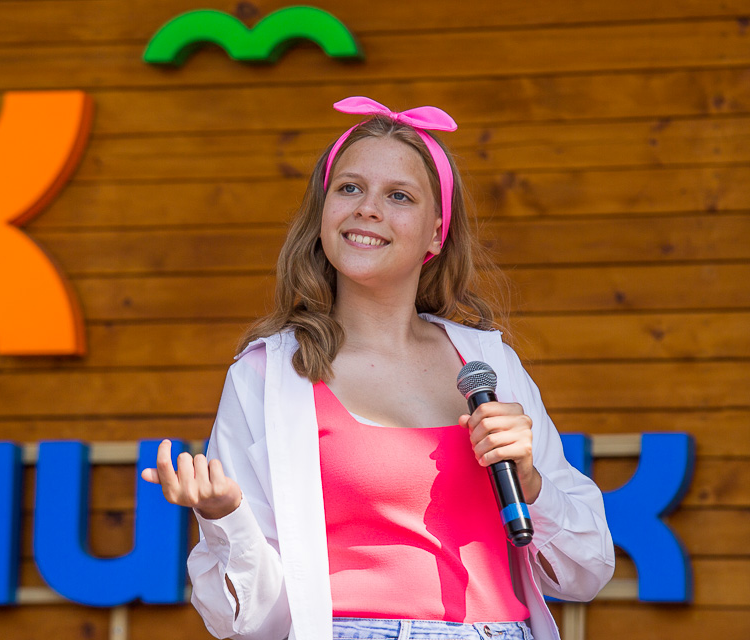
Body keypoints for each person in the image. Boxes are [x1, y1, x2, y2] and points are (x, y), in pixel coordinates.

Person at [141, 97, 615, 640]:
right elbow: (245, 622)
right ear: (322, 215)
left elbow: (587, 571)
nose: (368, 208)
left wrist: (530, 484)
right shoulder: (266, 375)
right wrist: (225, 517)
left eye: (399, 195)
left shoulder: (490, 363)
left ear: (436, 233)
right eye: (349, 188)